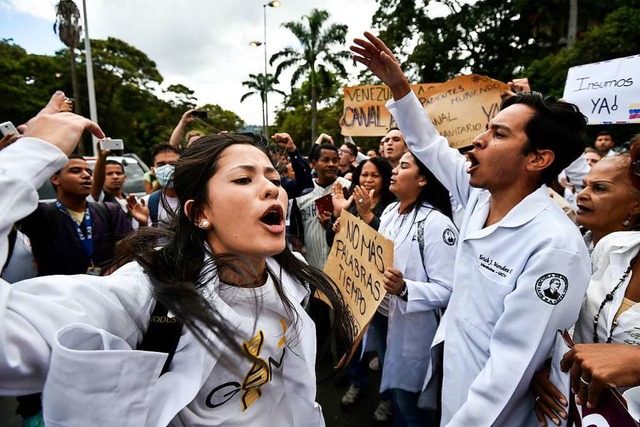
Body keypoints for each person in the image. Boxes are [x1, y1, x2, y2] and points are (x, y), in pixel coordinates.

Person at [0, 99, 354, 426]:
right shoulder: (148, 291)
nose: (271, 189)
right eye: (244, 179)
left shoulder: (290, 273)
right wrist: (29, 157)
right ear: (199, 213)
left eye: (274, 180)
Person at [351, 32, 591, 426]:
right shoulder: (479, 197)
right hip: (455, 377)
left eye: (498, 134)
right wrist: (397, 85)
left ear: (538, 158)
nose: (475, 142)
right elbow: (428, 145)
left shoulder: (554, 247)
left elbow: (511, 368)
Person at [532, 140, 640, 426]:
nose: (584, 194)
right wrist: (549, 369)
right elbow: (569, 321)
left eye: (600, 188)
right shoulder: (613, 249)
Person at [379, 151, 457, 426]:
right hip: (390, 322)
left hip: (419, 334)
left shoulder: (437, 224)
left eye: (403, 166)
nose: (394, 171)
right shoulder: (389, 213)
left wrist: (405, 289)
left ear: (423, 178)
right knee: (399, 400)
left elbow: (449, 290)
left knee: (415, 410)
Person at [325, 156, 396, 422]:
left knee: (385, 348)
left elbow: (390, 246)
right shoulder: (353, 206)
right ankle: (357, 382)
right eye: (363, 175)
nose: (367, 180)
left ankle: (388, 397)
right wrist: (336, 222)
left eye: (374, 176)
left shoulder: (392, 207)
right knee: (355, 342)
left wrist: (368, 216)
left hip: (381, 294)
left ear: (385, 179)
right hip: (355, 290)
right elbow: (339, 243)